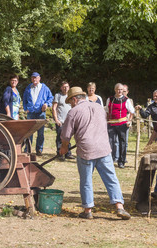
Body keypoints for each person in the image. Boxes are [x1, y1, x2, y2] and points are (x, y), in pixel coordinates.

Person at [59, 87, 131, 220]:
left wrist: (64, 148)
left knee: (86, 181)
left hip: (86, 150)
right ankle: (120, 207)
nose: (70, 104)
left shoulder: (73, 112)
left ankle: (87, 210)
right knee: (111, 179)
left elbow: (66, 136)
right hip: (103, 148)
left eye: (70, 102)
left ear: (75, 99)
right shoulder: (99, 107)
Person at [22, 72, 53, 156]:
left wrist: (46, 104)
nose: (34, 79)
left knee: (41, 133)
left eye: (36, 77)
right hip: (31, 113)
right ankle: (27, 149)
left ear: (39, 78)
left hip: (41, 113)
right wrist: (26, 108)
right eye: (32, 78)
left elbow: (50, 98)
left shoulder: (44, 88)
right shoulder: (28, 88)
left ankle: (39, 149)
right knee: (29, 132)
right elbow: (24, 99)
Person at [105, 83, 135, 168]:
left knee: (122, 143)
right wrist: (106, 121)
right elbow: (107, 111)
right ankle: (109, 160)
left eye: (121, 90)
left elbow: (132, 112)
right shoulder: (110, 99)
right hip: (111, 123)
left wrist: (129, 121)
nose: (120, 91)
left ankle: (121, 161)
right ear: (115, 90)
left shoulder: (126, 100)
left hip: (122, 124)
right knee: (110, 142)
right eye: (118, 89)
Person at [52, 81, 74, 161]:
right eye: (64, 87)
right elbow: (54, 108)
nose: (65, 88)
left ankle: (68, 153)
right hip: (61, 121)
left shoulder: (71, 96)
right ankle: (60, 154)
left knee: (68, 137)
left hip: (70, 121)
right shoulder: (58, 96)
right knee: (60, 138)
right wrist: (56, 119)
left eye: (67, 86)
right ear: (61, 88)